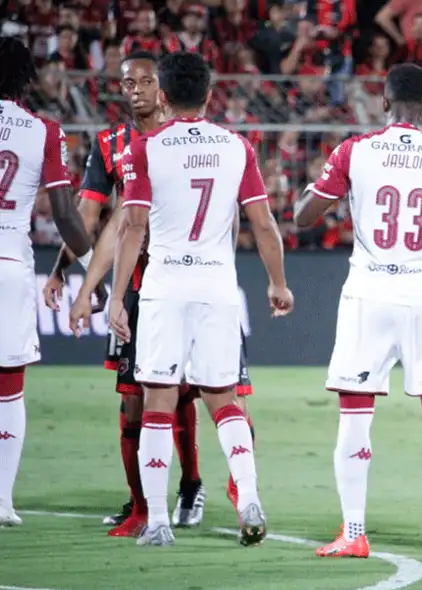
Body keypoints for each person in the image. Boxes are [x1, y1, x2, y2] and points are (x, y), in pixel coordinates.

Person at [294, 63, 422, 561]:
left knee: (356, 415)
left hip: (370, 294)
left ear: (383, 102)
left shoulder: (354, 150)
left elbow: (303, 217)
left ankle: (354, 532)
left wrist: (326, 190)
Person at [104, 51, 293, 547]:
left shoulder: (146, 148)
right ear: (209, 95)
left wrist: (118, 296)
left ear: (162, 95)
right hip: (216, 284)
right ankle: (248, 496)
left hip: (166, 285)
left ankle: (160, 522)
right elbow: (263, 223)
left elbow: (133, 227)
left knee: (159, 403)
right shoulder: (237, 148)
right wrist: (277, 282)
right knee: (224, 400)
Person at [0, 37, 94, 526]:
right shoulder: (42, 131)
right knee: (9, 388)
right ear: (27, 81)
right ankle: (3, 501)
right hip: (9, 262)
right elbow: (63, 213)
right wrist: (92, 266)